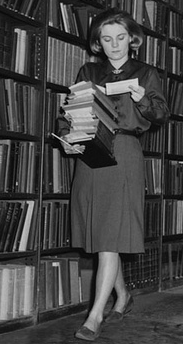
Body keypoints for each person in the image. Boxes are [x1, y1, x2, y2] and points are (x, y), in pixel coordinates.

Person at [57, 8, 169, 341]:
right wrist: (67, 138)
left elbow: (161, 114)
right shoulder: (89, 71)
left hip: (125, 154)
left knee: (111, 234)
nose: (114, 44)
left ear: (132, 39)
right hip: (90, 154)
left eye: (120, 37)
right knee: (102, 233)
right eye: (107, 39)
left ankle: (94, 316)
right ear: (98, 43)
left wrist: (142, 100)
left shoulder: (146, 72)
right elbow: (71, 111)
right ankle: (123, 296)